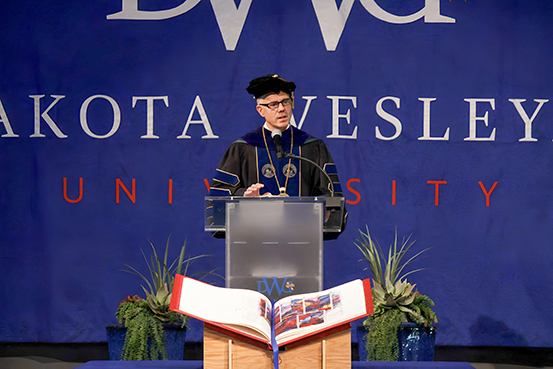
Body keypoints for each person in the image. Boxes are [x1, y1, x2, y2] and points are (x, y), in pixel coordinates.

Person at [209, 74, 345, 199]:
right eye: (273, 104)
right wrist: (245, 195)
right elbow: (220, 193)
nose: (281, 109)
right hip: (254, 225)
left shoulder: (312, 146)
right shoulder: (243, 148)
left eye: (285, 102)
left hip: (301, 224)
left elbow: (331, 195)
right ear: (260, 110)